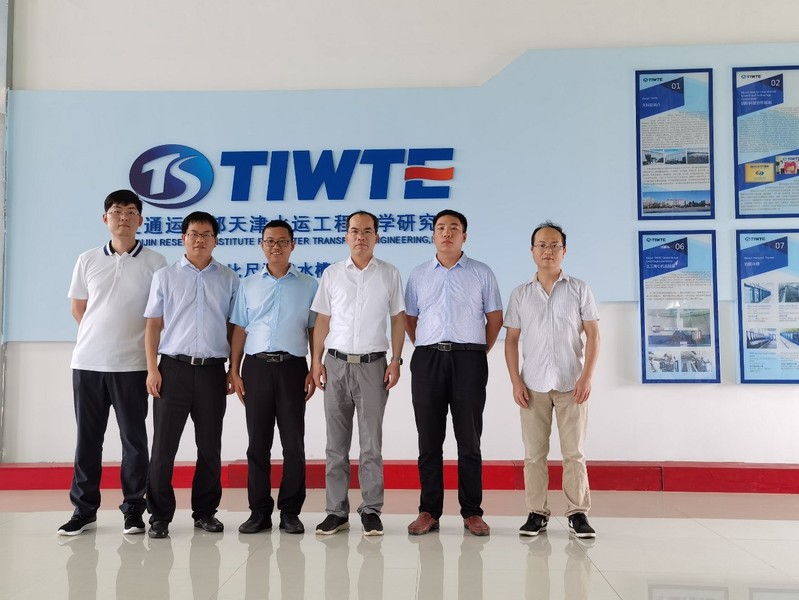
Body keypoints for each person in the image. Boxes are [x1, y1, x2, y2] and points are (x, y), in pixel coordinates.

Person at [58, 190, 167, 536]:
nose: (124, 217)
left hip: (133, 365)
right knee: (88, 439)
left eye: (131, 212)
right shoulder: (87, 259)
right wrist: (100, 336)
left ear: (140, 219)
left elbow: (158, 316)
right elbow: (79, 308)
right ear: (105, 218)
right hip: (88, 363)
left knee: (134, 440)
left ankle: (134, 509)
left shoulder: (156, 263)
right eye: (117, 211)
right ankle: (83, 509)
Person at [404, 209, 503, 537]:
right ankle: (429, 511)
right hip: (428, 359)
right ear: (433, 235)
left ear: (464, 235)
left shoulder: (481, 273)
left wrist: (477, 351)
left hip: (469, 360)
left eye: (454, 228)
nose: (447, 233)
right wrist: (427, 346)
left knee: (469, 440)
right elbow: (410, 318)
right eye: (441, 228)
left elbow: (495, 318)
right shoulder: (419, 274)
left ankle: (472, 511)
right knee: (428, 440)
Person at [143, 211, 239, 539]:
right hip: (172, 370)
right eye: (194, 234)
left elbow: (234, 328)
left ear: (216, 240)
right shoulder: (165, 276)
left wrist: (233, 369)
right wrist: (152, 368)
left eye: (206, 234)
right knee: (163, 447)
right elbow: (153, 325)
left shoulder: (229, 278)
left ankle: (205, 512)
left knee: (209, 446)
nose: (200, 240)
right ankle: (159, 516)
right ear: (183, 238)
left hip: (212, 371)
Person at [310, 210, 405, 536]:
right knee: (335, 446)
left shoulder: (389, 274)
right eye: (354, 231)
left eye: (367, 231)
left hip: (373, 366)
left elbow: (397, 318)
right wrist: (316, 361)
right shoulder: (332, 274)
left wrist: (396, 359)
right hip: (335, 365)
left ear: (377, 237)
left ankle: (371, 510)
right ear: (346, 236)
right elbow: (323, 320)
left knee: (371, 446)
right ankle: (336, 512)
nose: (360, 237)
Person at [504, 220, 600, 539]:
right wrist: (515, 381)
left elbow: (594, 335)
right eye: (542, 245)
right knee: (534, 455)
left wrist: (586, 376)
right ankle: (537, 513)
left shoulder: (579, 289)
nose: (548, 251)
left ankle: (577, 513)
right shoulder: (521, 293)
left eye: (554, 245)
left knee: (574, 453)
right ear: (532, 251)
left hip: (573, 384)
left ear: (564, 251)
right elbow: (511, 340)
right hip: (532, 386)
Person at [228, 220, 318, 535]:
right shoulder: (248, 285)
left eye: (282, 241)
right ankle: (259, 512)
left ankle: (291, 512)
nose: (275, 247)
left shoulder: (309, 285)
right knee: (258, 443)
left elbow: (314, 329)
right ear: (262, 245)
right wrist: (234, 369)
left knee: (293, 443)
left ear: (293, 245)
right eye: (269, 241)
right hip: (256, 369)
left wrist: (315, 366)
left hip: (293, 367)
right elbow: (240, 329)